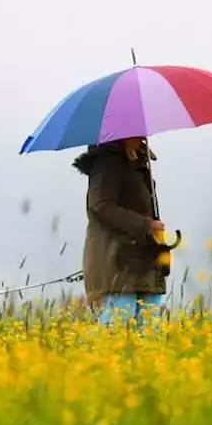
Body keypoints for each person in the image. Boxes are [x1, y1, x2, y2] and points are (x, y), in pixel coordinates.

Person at [73, 137, 167, 327]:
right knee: (119, 325)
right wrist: (145, 224)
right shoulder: (109, 161)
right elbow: (100, 205)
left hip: (144, 257)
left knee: (150, 328)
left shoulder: (140, 159)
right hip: (116, 259)